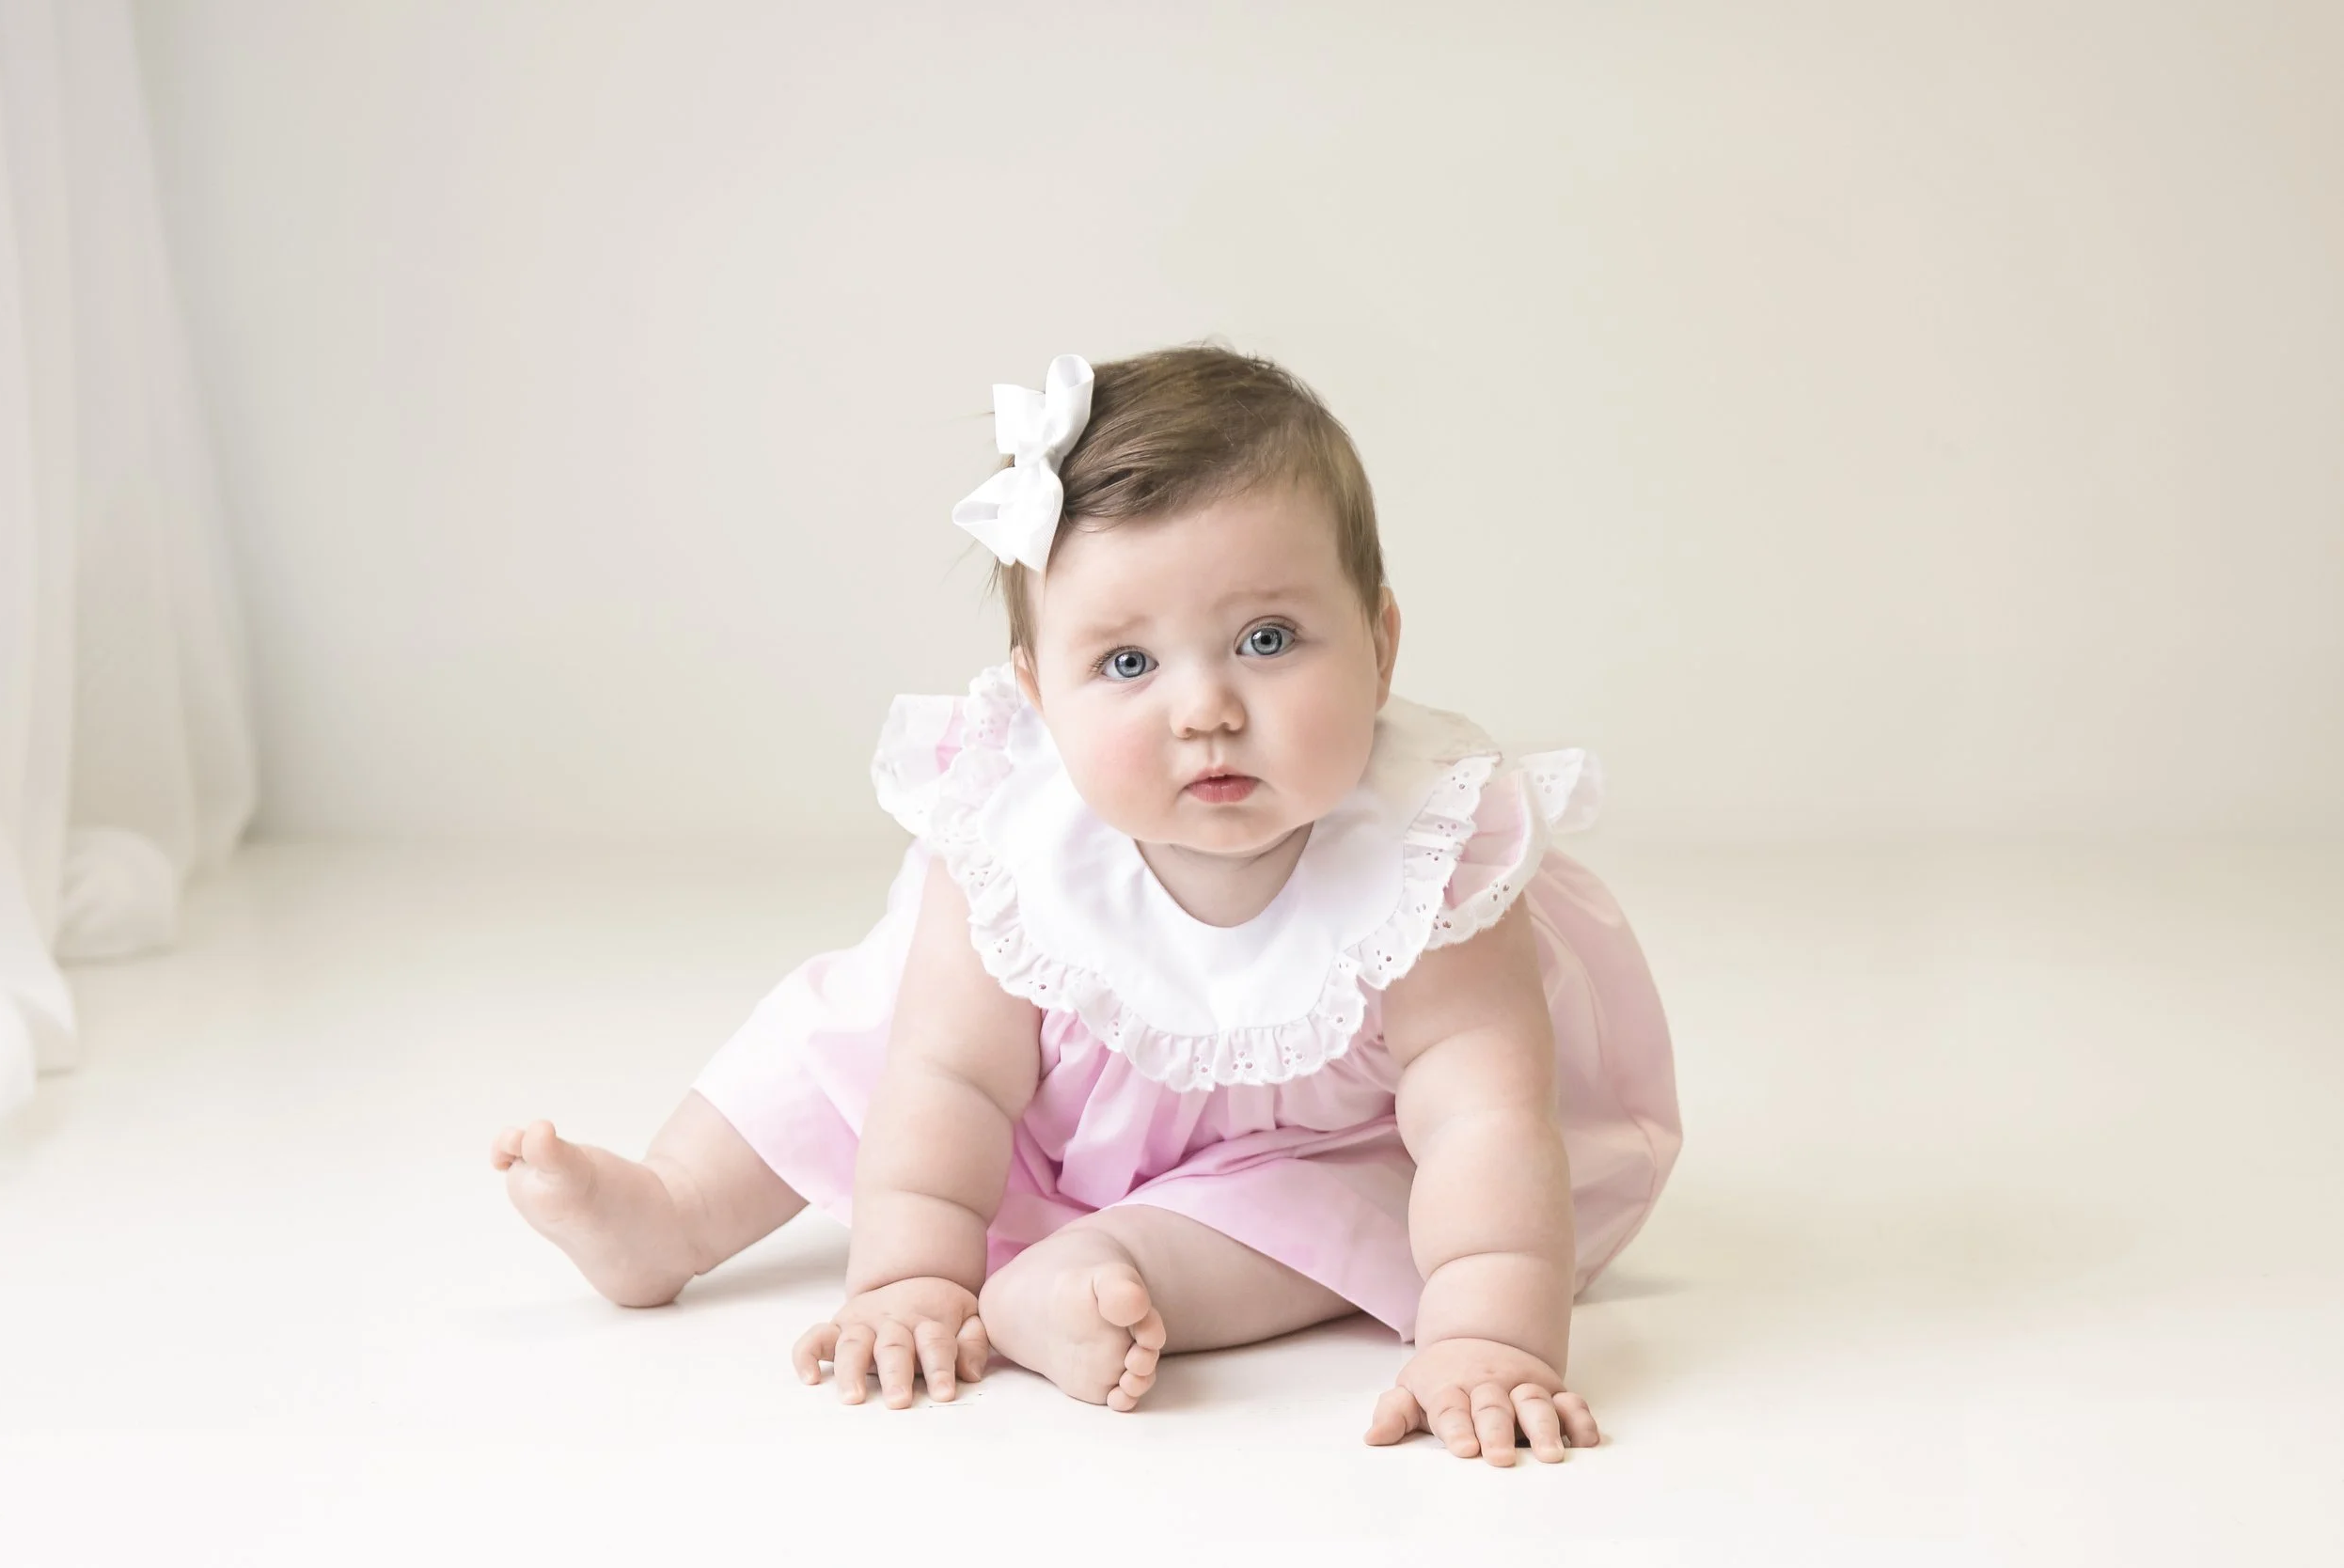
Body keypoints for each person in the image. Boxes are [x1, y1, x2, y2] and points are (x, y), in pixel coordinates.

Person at [492, 346, 1681, 1466]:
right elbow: (946, 1081)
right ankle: (672, 1208)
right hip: (1007, 1106)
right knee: (839, 1037)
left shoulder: (1425, 860)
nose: (1204, 707)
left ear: (1379, 642)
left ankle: (1086, 1280)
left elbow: (1483, 1121)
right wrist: (908, 1277)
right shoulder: (1013, 842)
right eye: (1126, 664)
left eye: (1267, 639)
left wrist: (1486, 1335)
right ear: (1036, 693)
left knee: (1328, 1217)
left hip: (1289, 1145)